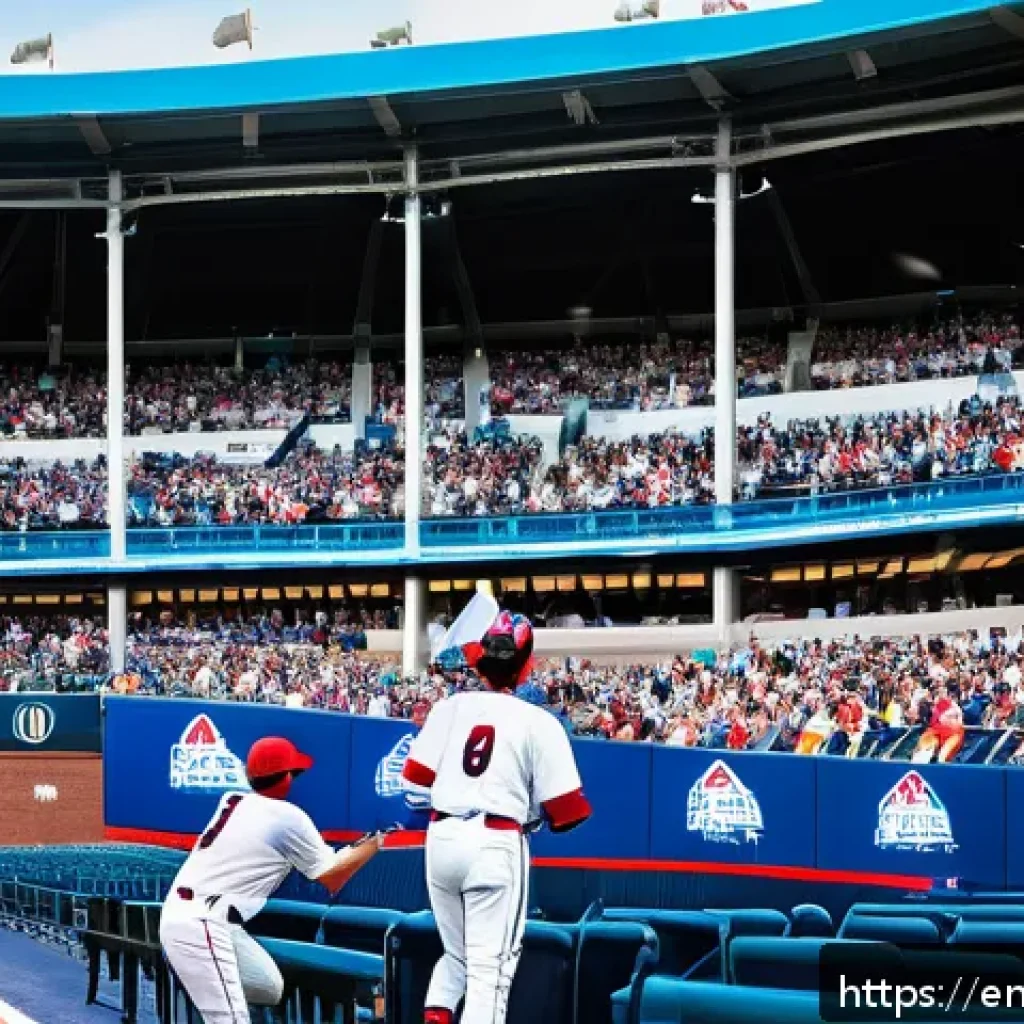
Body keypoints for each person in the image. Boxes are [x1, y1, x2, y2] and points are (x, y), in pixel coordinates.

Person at [402, 611, 593, 1024]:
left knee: (455, 958)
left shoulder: (449, 707)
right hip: (495, 840)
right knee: (491, 973)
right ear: (525, 665)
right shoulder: (539, 722)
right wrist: (530, 811)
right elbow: (569, 813)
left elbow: (414, 783)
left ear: (481, 660)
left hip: (442, 837)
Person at [160, 736, 390, 1023]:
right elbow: (333, 878)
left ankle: (205, 977)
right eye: (292, 773)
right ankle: (206, 978)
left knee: (268, 986)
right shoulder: (287, 817)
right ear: (285, 779)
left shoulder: (232, 799)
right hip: (202, 923)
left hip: (193, 917)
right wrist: (376, 843)